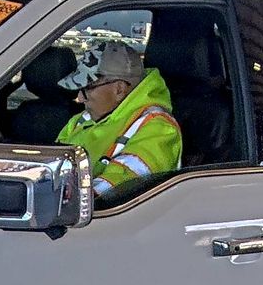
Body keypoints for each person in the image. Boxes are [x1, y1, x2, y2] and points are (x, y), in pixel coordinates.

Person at [55, 41, 183, 198]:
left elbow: (116, 188)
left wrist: (65, 198)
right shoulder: (82, 119)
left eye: (87, 88)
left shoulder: (158, 127)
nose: (80, 98)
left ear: (119, 89)